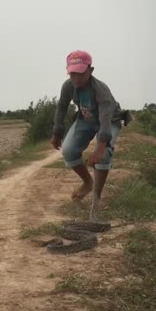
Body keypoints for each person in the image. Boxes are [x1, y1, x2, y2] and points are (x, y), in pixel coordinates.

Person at [50, 50, 124, 222]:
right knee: (68, 150)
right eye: (72, 73)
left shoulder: (101, 89)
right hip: (87, 118)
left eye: (80, 73)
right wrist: (57, 132)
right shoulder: (68, 86)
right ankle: (88, 182)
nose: (76, 78)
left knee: (103, 156)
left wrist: (101, 145)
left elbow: (106, 118)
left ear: (90, 70)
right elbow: (61, 107)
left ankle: (95, 203)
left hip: (109, 120)